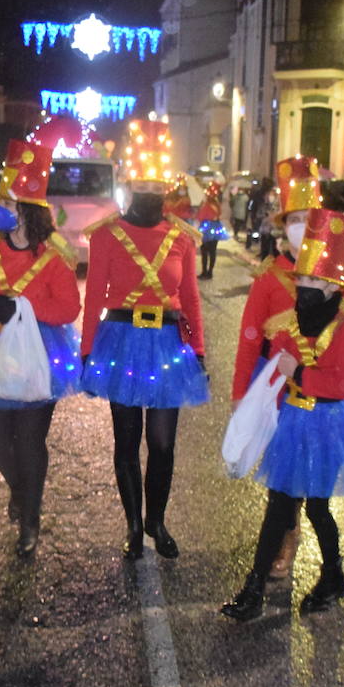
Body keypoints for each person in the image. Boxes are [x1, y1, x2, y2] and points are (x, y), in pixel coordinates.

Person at [221, 207, 344, 622]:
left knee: (316, 508)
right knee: (280, 505)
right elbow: (275, 354)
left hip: (330, 423)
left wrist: (300, 372)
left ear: (334, 287)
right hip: (296, 420)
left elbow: (340, 381)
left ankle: (332, 576)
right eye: (302, 280)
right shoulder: (292, 320)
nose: (305, 288)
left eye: (314, 281)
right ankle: (255, 589)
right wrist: (254, 396)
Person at [82, 119, 208, 560]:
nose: (152, 192)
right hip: (120, 339)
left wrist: (200, 349)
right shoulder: (106, 235)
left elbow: (190, 297)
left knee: (162, 443)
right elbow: (94, 295)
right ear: (131, 185)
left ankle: (157, 519)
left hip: (168, 344)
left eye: (159, 184)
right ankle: (134, 526)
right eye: (144, 183)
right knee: (126, 440)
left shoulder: (182, 238)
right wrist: (85, 350)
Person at [0, 140, 81, 557]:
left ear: (28, 209)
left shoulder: (55, 255)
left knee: (29, 441)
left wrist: (23, 305)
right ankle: (19, 488)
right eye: (0, 199)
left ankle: (30, 516)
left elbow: (68, 308)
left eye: (8, 201)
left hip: (41, 353)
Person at [230, 156, 328, 579]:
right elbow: (250, 338)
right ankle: (285, 536)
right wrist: (239, 395)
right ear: (282, 225)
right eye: (294, 219)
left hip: (320, 389)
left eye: (309, 219)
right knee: (283, 473)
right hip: (275, 389)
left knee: (308, 473)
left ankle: (297, 535)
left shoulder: (337, 277)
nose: (301, 227)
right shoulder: (269, 277)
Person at [196, 182, 229, 279]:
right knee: (213, 251)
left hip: (206, 229)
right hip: (216, 228)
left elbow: (200, 217)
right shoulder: (217, 204)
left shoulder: (206, 205)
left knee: (204, 252)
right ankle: (210, 272)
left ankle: (204, 272)